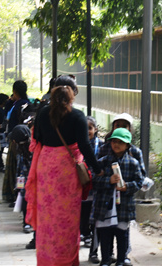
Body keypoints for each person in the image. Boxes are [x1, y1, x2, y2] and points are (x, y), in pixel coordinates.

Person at [25, 79, 102, 266]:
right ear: (72, 96)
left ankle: (46, 258)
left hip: (46, 166)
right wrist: (97, 168)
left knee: (47, 215)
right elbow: (84, 145)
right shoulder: (78, 116)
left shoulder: (42, 113)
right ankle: (65, 259)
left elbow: (37, 137)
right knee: (66, 216)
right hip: (67, 169)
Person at [92, 128, 144, 267]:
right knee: (105, 234)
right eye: (114, 141)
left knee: (122, 234)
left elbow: (139, 182)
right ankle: (105, 259)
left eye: (121, 142)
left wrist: (127, 187)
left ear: (127, 145)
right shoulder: (102, 162)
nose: (117, 144)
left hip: (124, 207)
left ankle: (121, 260)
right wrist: (108, 181)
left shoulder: (133, 163)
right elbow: (94, 181)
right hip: (105, 206)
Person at [3, 80, 30, 204]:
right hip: (16, 139)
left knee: (17, 169)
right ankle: (16, 195)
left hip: (17, 141)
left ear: (14, 91)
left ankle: (17, 196)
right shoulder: (20, 103)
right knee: (17, 168)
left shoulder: (21, 104)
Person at [81, 116, 103, 261]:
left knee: (94, 219)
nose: (87, 131)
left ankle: (93, 252)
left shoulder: (101, 146)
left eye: (90, 128)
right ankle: (85, 233)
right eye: (84, 128)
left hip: (96, 188)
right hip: (82, 187)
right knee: (83, 216)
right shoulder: (77, 145)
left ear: (95, 129)